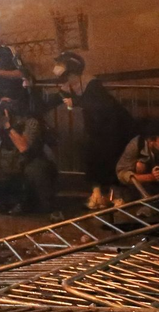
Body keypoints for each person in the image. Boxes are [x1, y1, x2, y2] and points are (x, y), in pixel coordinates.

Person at [47, 52, 135, 209]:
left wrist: (77, 102)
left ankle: (117, 195)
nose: (67, 80)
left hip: (115, 128)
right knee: (92, 156)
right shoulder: (70, 86)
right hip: (97, 130)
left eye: (68, 75)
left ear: (74, 72)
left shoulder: (92, 84)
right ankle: (98, 194)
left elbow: (102, 106)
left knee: (111, 158)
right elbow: (49, 102)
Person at [0, 99, 58, 215]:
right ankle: (11, 201)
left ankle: (35, 203)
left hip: (29, 168)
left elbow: (24, 148)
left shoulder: (30, 122)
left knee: (35, 170)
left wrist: (8, 127)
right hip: (9, 168)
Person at [116, 120, 159, 198]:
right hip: (144, 186)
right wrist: (151, 177)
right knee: (140, 165)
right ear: (151, 140)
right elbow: (121, 174)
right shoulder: (136, 145)